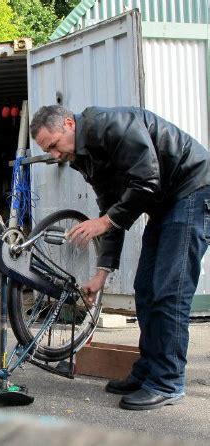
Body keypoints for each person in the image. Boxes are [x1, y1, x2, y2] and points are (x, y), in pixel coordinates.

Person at [30, 105, 210, 411]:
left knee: (170, 291)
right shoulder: (84, 159)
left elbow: (147, 180)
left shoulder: (112, 126)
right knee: (146, 288)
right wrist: (101, 274)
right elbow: (111, 209)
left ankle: (167, 382)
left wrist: (105, 221)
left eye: (54, 146)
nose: (55, 156)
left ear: (69, 124)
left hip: (193, 190)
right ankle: (149, 371)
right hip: (165, 204)